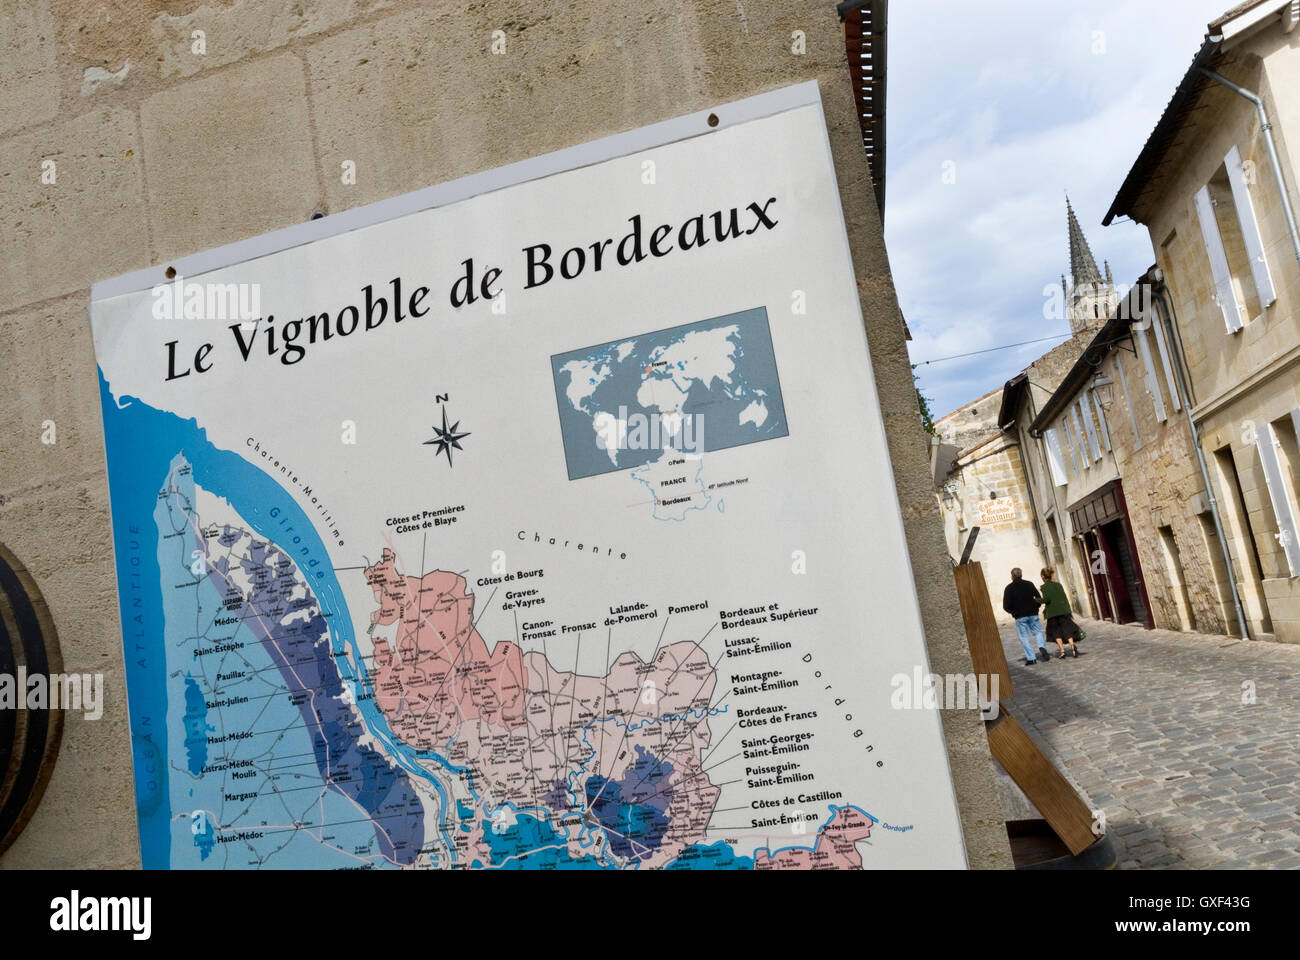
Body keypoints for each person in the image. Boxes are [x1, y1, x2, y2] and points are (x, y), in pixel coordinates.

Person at [1002, 568, 1048, 666]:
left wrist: (1014, 613)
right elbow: (1038, 598)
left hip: (1020, 616)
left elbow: (1006, 605)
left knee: (1024, 637)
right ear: (1021, 575)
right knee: (1038, 632)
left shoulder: (1009, 588)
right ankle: (1041, 646)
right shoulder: (1029, 584)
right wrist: (1036, 607)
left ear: (1012, 576)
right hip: (1033, 613)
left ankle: (1031, 658)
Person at [1040, 566, 1080, 659]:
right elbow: (1064, 597)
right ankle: (1073, 647)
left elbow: (1046, 599)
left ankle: (1062, 651)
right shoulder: (1058, 585)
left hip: (1052, 612)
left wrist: (1036, 600)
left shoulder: (1044, 587)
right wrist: (1068, 610)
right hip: (1063, 610)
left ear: (1043, 576)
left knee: (1055, 632)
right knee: (1067, 629)